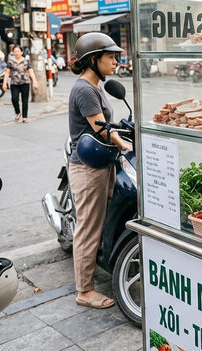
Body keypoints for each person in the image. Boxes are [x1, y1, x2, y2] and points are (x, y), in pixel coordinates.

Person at [67, 32, 132, 309]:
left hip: (101, 163)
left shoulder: (96, 88)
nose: (116, 61)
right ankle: (85, 290)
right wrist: (126, 145)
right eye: (110, 57)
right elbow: (101, 128)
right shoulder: (84, 89)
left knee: (100, 219)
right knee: (89, 228)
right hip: (88, 168)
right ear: (93, 60)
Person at [2, 45, 38, 122]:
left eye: (18, 51)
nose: (16, 53)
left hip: (25, 82)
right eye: (15, 51)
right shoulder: (10, 61)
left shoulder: (26, 61)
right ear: (12, 52)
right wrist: (4, 83)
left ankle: (25, 117)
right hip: (14, 83)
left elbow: (30, 71)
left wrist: (34, 81)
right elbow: (7, 72)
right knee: (14, 99)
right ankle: (18, 112)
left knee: (25, 100)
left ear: (22, 52)